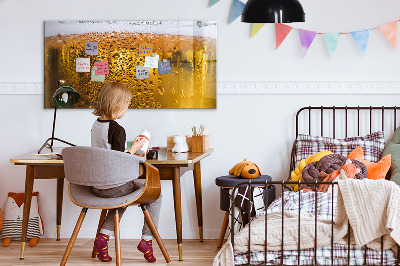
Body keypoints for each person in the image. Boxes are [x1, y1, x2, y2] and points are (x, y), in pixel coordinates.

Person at [91, 82, 161, 263]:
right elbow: (118, 161)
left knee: (121, 197)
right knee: (156, 194)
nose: (127, 109)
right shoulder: (117, 129)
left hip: (97, 186)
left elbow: (108, 154)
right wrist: (136, 148)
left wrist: (131, 149)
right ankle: (147, 240)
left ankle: (103, 238)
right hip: (114, 186)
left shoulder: (96, 125)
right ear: (118, 105)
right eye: (127, 105)